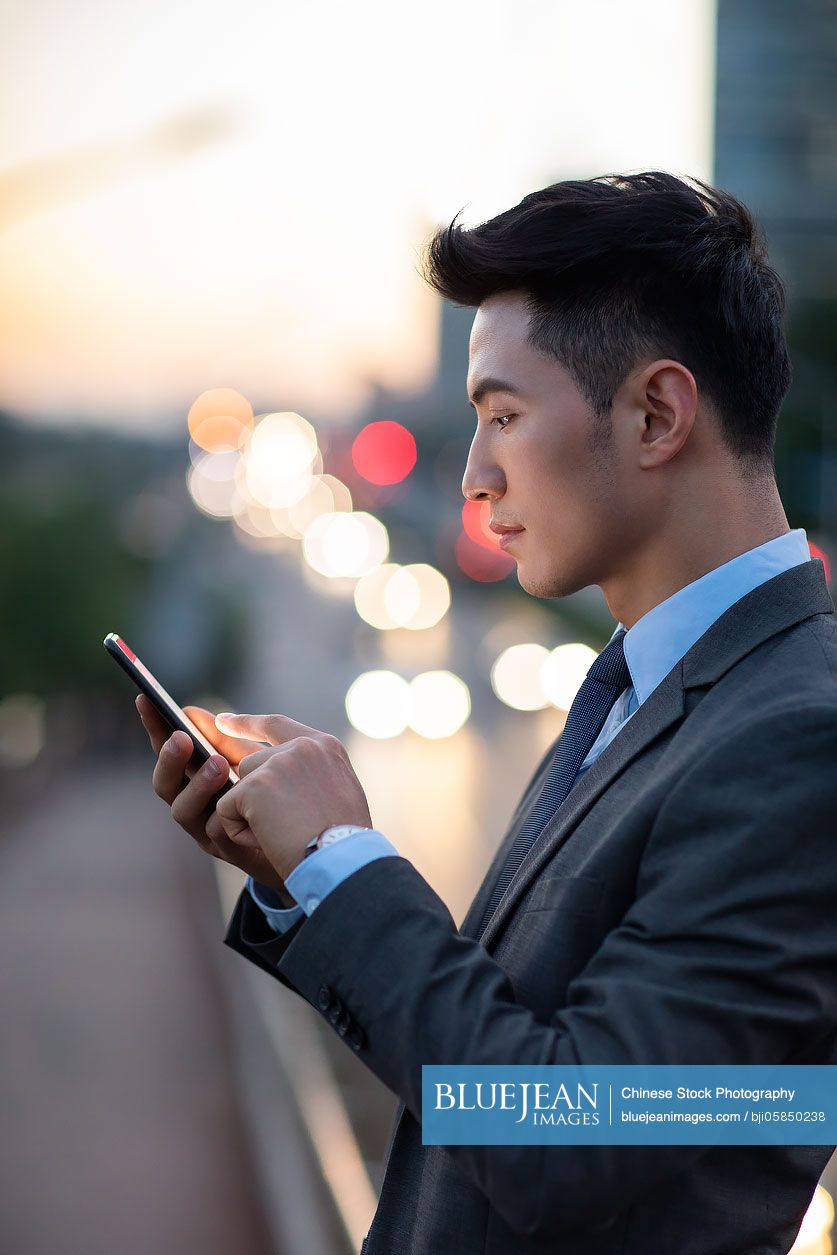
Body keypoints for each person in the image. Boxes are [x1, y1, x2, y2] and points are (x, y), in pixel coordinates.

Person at [137, 171, 837, 1254]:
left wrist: (341, 857)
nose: (472, 476)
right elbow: (503, 1061)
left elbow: (565, 1144)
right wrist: (295, 876)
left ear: (657, 413)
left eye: (504, 415)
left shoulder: (797, 735)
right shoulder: (649, 686)